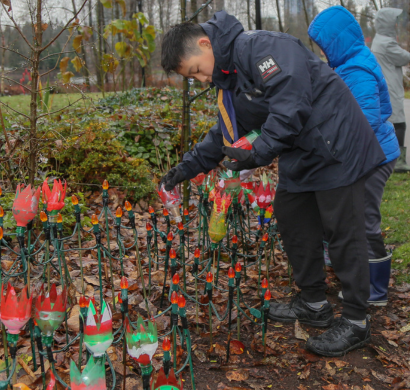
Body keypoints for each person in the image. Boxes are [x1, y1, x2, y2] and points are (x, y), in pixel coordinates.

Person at [160, 11, 386, 357]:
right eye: (193, 78)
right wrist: (181, 171)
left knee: (342, 230)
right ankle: (313, 303)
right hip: (303, 152)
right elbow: (224, 136)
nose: (202, 80)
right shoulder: (228, 80)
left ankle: (356, 321)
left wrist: (258, 153)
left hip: (335, 143)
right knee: (292, 215)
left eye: (196, 70)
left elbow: (290, 105)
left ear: (204, 43)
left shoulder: (261, 48)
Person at [308, 6, 400, 307]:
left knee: (365, 220)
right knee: (358, 218)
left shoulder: (357, 68)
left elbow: (365, 119)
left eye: (324, 46)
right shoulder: (348, 63)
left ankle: (375, 290)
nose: (322, 52)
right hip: (367, 153)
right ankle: (364, 282)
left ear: (336, 41)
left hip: (374, 155)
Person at [372, 8, 410, 172]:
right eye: (393, 20)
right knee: (399, 123)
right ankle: (399, 162)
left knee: (388, 122)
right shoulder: (387, 43)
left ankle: (387, 157)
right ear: (387, 23)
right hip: (390, 88)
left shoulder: (379, 40)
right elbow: (405, 58)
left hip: (384, 85)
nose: (396, 24)